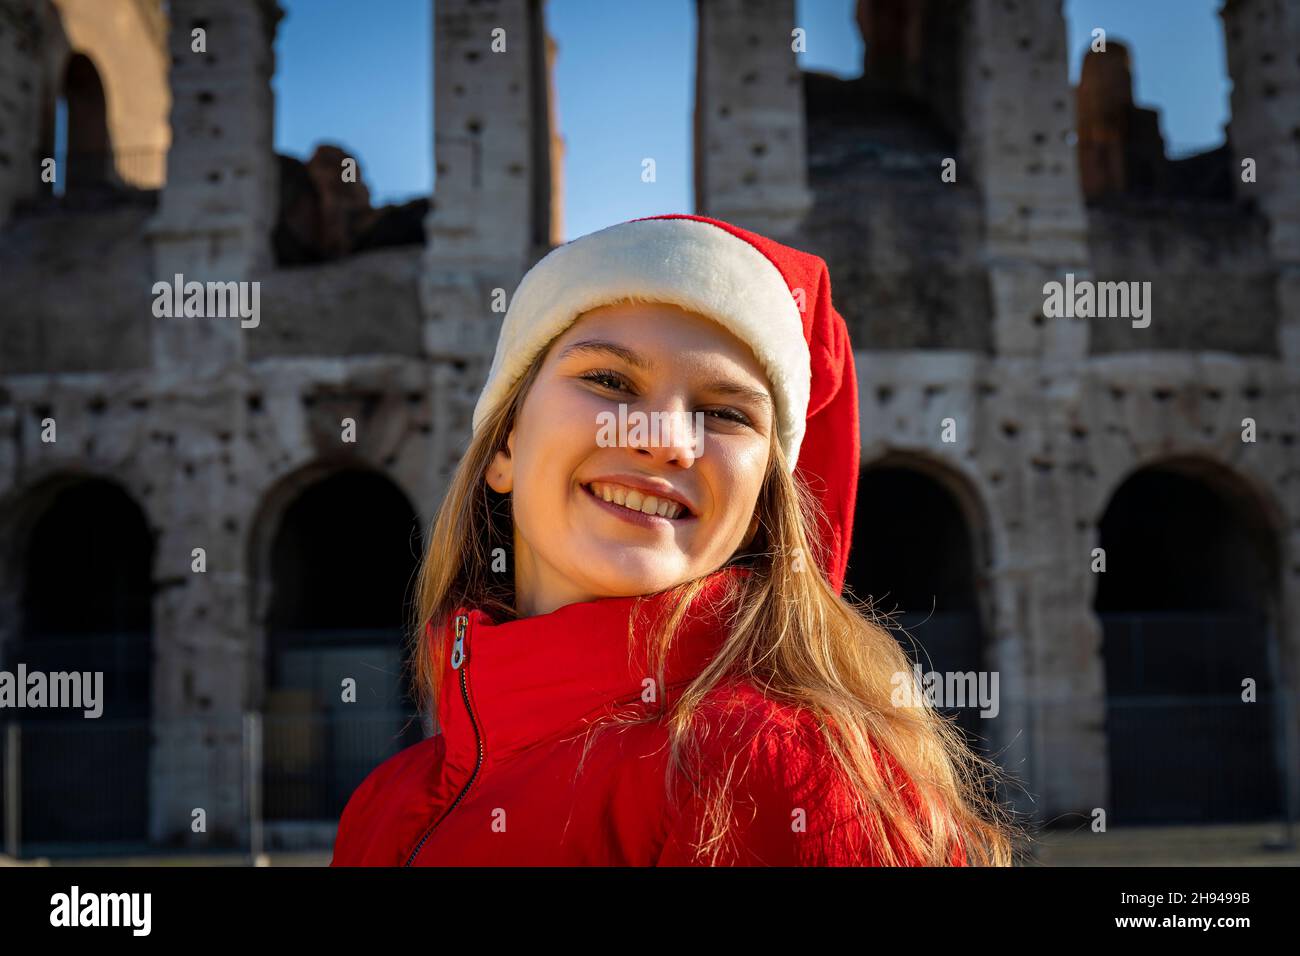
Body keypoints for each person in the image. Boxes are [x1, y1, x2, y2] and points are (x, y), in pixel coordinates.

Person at [330, 213, 1020, 866]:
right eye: (608, 381)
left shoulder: (785, 776)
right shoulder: (382, 803)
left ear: (759, 508)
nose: (660, 439)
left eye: (723, 413)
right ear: (503, 447)